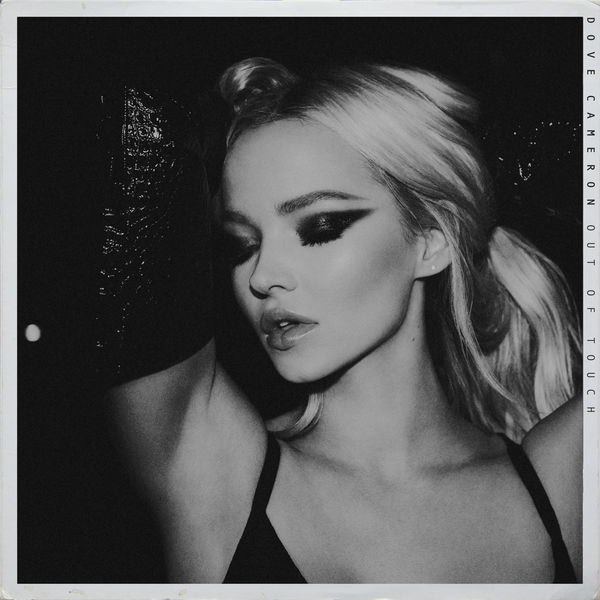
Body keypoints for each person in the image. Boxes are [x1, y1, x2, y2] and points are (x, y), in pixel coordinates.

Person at [103, 58, 582, 583]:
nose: (262, 276)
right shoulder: (212, 472)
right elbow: (133, 115)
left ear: (432, 242)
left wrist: (492, 165)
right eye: (241, 245)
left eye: (320, 227)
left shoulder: (568, 481)